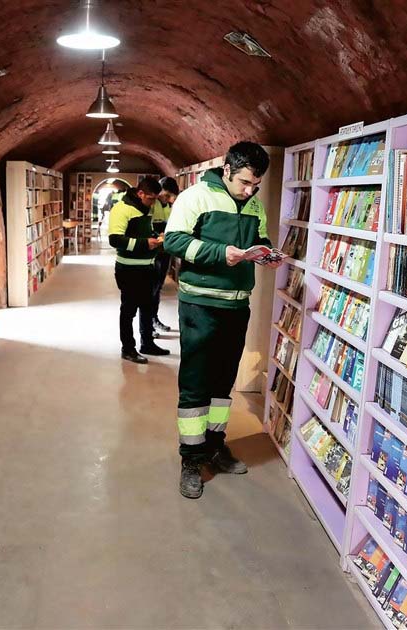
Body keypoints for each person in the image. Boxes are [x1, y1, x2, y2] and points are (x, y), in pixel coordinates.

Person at [164, 141, 282, 498]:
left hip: (236, 306)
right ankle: (191, 459)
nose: (250, 190)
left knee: (223, 384)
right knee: (196, 383)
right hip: (200, 304)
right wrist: (221, 253)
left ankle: (215, 446)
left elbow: (258, 239)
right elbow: (173, 241)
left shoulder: (255, 205)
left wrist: (265, 255)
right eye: (245, 181)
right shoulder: (195, 197)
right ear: (228, 169)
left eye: (255, 184)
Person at [108, 177, 170, 364]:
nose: (153, 203)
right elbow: (115, 240)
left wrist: (155, 237)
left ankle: (147, 343)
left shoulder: (145, 208)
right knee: (128, 310)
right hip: (129, 269)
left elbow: (143, 231)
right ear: (140, 193)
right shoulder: (122, 209)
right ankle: (127, 348)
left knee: (148, 307)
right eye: (150, 198)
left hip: (148, 267)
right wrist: (145, 243)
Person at [150, 176, 179, 334]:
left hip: (165, 251)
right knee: (150, 289)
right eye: (166, 195)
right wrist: (157, 234)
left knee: (158, 288)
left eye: (170, 196)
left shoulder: (169, 206)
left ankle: (154, 319)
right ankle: (148, 324)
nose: (167, 199)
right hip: (152, 251)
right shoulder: (151, 204)